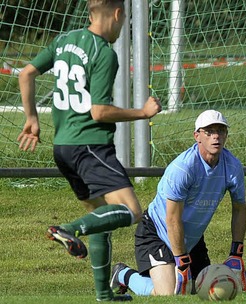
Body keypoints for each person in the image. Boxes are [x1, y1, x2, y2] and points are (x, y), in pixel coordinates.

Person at [17, 0, 162, 301]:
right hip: (91, 146)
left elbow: (26, 73)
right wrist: (143, 112)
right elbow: (98, 112)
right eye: (124, 22)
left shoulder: (63, 41)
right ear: (118, 14)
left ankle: (104, 295)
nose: (123, 29)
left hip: (63, 149)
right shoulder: (104, 53)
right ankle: (68, 229)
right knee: (132, 211)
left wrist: (32, 118)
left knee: (101, 218)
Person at [109, 109, 246, 297]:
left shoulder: (233, 166)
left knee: (200, 289)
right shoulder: (183, 168)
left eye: (220, 131)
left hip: (190, 237)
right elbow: (172, 219)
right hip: (157, 232)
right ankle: (123, 273)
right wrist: (182, 261)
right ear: (197, 136)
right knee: (168, 293)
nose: (216, 136)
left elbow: (239, 208)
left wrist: (236, 254)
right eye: (209, 132)